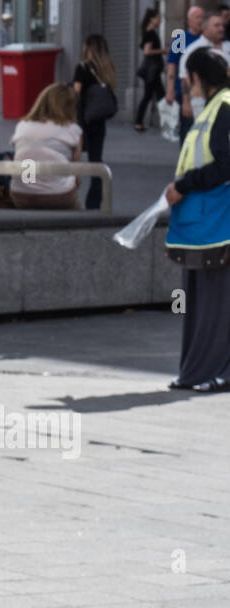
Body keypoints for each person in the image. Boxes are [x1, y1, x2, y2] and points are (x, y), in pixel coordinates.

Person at [165, 48, 230, 392]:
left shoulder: (224, 107)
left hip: (217, 222)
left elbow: (225, 164)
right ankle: (204, 370)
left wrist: (183, 185)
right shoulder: (215, 108)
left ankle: (212, 371)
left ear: (196, 78)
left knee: (214, 299)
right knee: (203, 296)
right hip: (206, 221)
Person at [10, 84, 82, 210]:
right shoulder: (73, 129)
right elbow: (75, 169)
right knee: (77, 207)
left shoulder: (22, 125)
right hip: (59, 195)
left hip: (21, 193)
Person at [72, 35, 117, 212]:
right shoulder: (107, 68)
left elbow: (76, 93)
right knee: (96, 162)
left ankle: (67, 198)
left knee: (73, 160)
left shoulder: (82, 68)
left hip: (82, 120)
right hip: (98, 122)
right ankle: (94, 203)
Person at [168, 6, 206, 140]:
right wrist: (170, 89)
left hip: (204, 91)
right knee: (186, 128)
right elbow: (172, 63)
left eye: (202, 17)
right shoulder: (180, 37)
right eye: (197, 17)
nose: (200, 20)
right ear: (189, 20)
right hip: (183, 90)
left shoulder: (207, 38)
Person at [134, 8, 166, 132]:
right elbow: (147, 51)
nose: (160, 20)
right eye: (158, 17)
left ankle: (139, 122)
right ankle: (168, 123)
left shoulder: (148, 32)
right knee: (161, 97)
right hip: (153, 70)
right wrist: (163, 51)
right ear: (152, 19)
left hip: (152, 70)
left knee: (149, 96)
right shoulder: (150, 33)